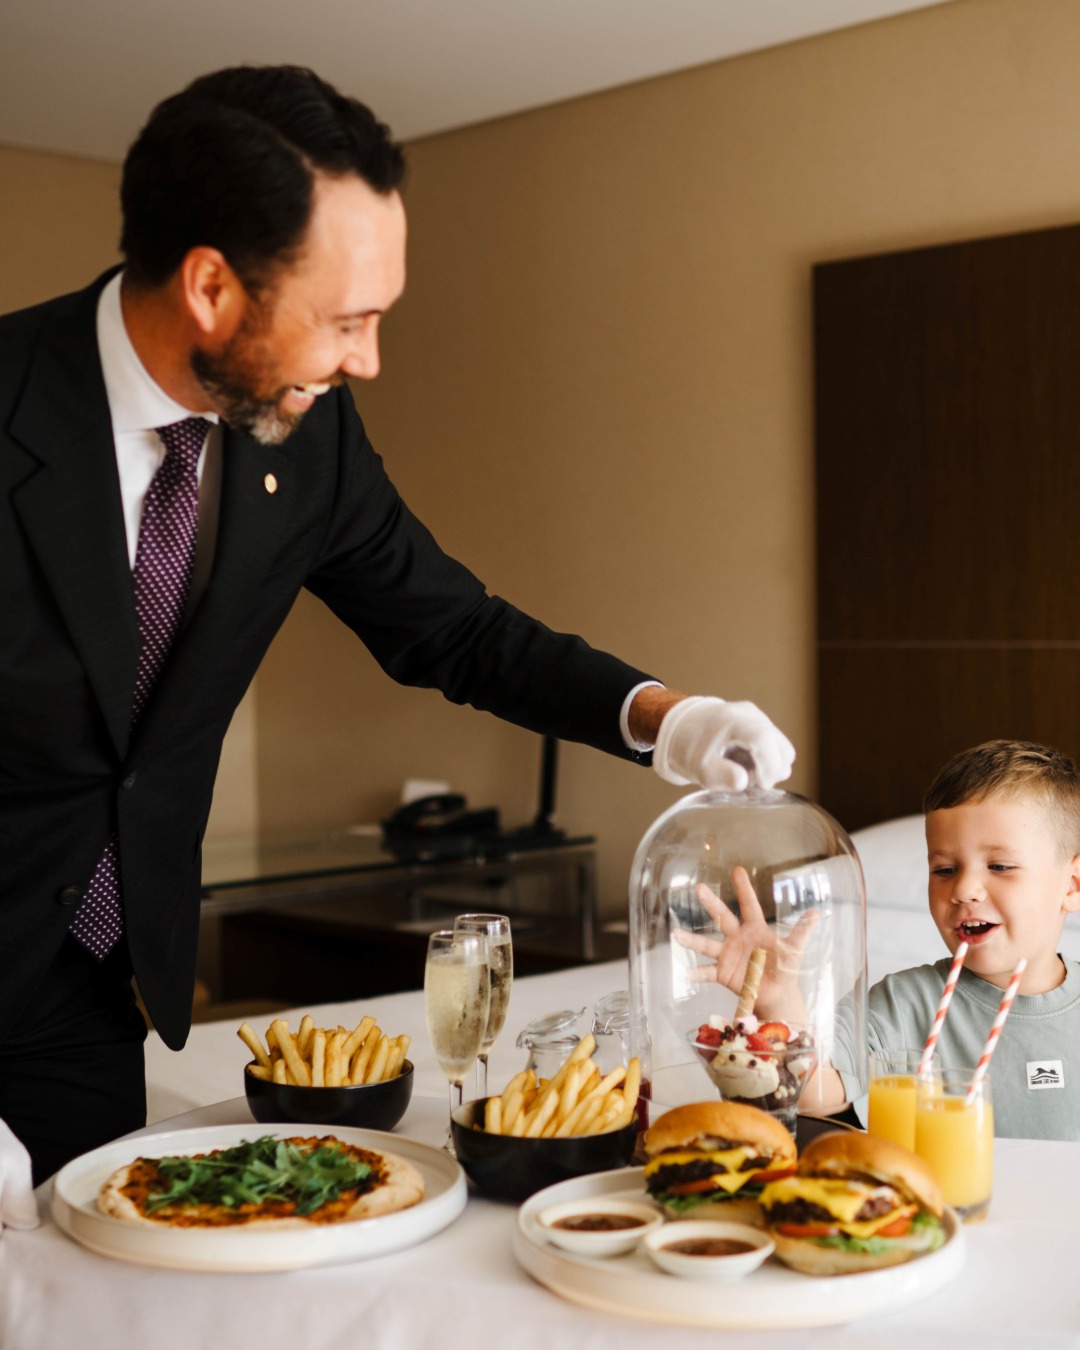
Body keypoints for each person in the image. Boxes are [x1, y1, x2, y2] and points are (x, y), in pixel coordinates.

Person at [0, 64, 796, 1188]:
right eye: (347, 321)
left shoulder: (309, 437)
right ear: (211, 288)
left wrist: (668, 718)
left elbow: (453, 627)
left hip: (91, 992)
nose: (367, 360)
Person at [683, 739, 1080, 1139]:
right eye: (944, 869)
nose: (965, 889)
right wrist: (777, 1000)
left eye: (1000, 866)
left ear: (1072, 885)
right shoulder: (903, 1005)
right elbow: (814, 1090)